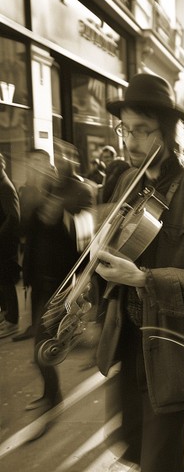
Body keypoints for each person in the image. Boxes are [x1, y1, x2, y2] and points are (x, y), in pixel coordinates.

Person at [94, 73, 184, 472]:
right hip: (128, 344)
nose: (131, 142)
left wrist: (142, 278)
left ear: (170, 133)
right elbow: (114, 247)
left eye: (143, 131)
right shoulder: (125, 181)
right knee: (133, 448)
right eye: (126, 130)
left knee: (158, 461)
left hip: (171, 350)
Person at [23, 140, 94, 426]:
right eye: (58, 156)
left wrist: (63, 216)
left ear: (75, 159)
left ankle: (53, 397)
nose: (61, 160)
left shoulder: (82, 190)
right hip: (42, 278)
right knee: (42, 344)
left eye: (67, 155)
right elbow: (28, 230)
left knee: (43, 344)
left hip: (65, 280)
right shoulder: (45, 188)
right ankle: (51, 394)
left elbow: (87, 234)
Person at [13, 149, 56, 341]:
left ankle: (46, 337)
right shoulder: (27, 190)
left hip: (54, 259)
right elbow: (23, 226)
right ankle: (37, 330)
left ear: (48, 164)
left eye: (39, 161)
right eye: (31, 162)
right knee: (36, 294)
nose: (34, 166)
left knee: (50, 300)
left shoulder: (56, 189)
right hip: (34, 256)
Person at [0, 153, 21, 338]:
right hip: (3, 242)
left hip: (5, 244)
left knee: (6, 281)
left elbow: (13, 217)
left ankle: (12, 320)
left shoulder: (5, 186)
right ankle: (5, 316)